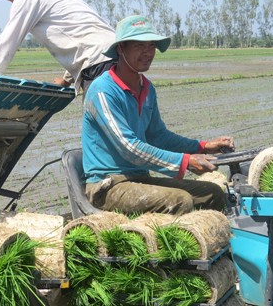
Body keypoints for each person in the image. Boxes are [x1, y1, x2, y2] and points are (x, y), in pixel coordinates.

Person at [82, 15, 234, 216]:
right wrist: (185, 162)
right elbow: (129, 148)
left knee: (213, 193)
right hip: (109, 185)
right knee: (179, 201)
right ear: (120, 49)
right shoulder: (102, 91)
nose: (147, 53)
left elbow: (158, 136)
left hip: (139, 178)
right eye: (139, 46)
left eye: (151, 45)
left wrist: (203, 146)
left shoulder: (146, 88)